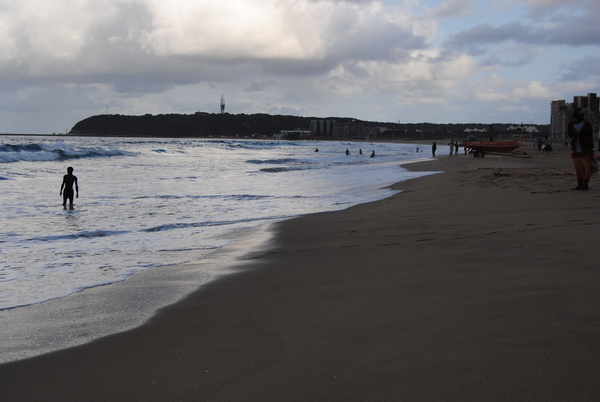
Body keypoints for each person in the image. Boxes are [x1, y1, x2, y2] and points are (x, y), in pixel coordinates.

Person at [568, 108, 594, 190]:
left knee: (586, 167)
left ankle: (585, 184)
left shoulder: (586, 124)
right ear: (575, 116)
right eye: (580, 115)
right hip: (575, 149)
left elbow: (590, 136)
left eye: (582, 115)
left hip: (585, 148)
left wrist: (591, 148)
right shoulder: (571, 125)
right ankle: (579, 183)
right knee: (577, 167)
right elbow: (570, 134)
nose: (582, 116)